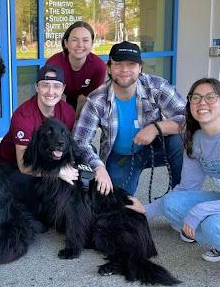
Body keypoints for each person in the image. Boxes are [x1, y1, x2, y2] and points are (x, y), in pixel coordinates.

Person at [130, 78, 220, 283]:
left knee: (212, 224)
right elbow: (187, 187)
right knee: (173, 203)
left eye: (210, 97)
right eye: (195, 98)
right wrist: (146, 210)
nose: (202, 103)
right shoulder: (195, 139)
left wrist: (200, 211)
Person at [74, 41, 185, 196]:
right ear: (109, 68)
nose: (124, 70)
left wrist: (156, 128)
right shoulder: (96, 99)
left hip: (155, 149)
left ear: (140, 67)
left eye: (131, 64)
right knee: (118, 205)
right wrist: (99, 167)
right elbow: (80, 140)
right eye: (118, 64)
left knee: (178, 140)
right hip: (121, 157)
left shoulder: (156, 86)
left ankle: (181, 196)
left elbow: (189, 119)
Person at [0, 64, 78, 186]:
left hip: (45, 158)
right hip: (12, 165)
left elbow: (71, 146)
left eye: (56, 86)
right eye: (45, 85)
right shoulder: (23, 116)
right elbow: (24, 166)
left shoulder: (67, 111)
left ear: (63, 89)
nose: (51, 92)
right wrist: (57, 172)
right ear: (37, 87)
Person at [47, 21, 106, 115]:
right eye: (74, 40)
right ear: (66, 43)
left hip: (84, 103)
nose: (80, 45)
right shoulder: (54, 64)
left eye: (85, 40)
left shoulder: (98, 66)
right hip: (58, 101)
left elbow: (94, 101)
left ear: (92, 44)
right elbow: (49, 99)